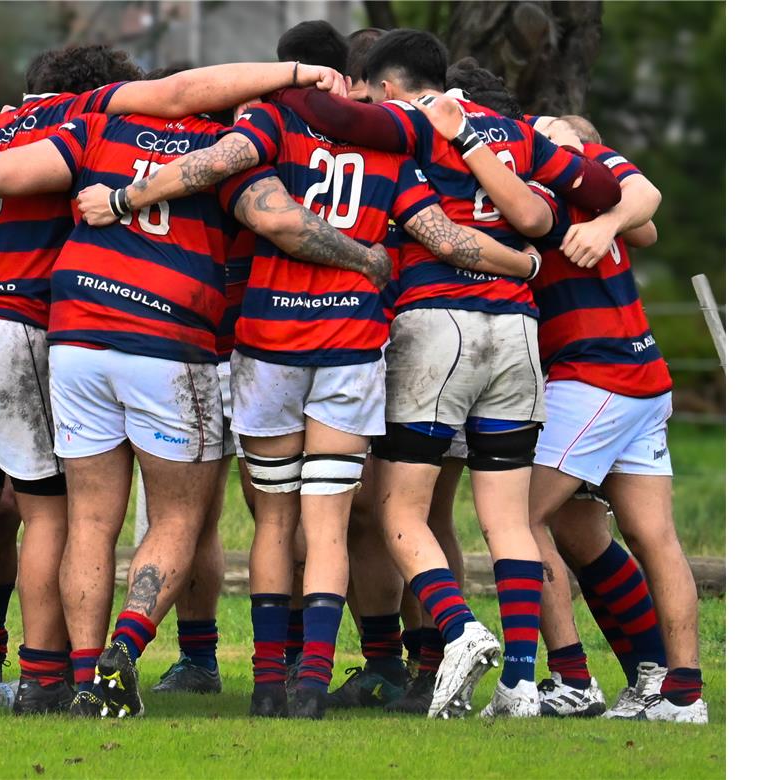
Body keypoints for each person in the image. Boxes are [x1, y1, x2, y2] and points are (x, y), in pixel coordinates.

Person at [0, 49, 358, 716]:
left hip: (72, 333)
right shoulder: (212, 144)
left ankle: (54, 675)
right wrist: (366, 256)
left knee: (84, 520)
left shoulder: (96, 133)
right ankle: (106, 667)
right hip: (165, 337)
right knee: (176, 516)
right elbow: (271, 215)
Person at [75, 55, 539, 723]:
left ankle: (268, 683)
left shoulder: (272, 122)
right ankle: (310, 687)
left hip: (269, 344)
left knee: (275, 520)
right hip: (350, 345)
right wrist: (520, 261)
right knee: (327, 523)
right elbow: (445, 237)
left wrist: (124, 198)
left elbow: (213, 168)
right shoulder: (390, 150)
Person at [268, 28, 622, 718]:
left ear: (392, 88)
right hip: (518, 331)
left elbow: (330, 116)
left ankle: (458, 629)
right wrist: (556, 143)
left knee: (399, 506)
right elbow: (603, 186)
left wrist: (308, 81)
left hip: (437, 325)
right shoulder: (514, 131)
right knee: (507, 518)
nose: (365, 99)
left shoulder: (405, 121)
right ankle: (520, 686)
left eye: (371, 88)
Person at [521, 115, 706, 724]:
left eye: (557, 134)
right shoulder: (582, 187)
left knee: (519, 519)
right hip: (644, 376)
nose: (546, 138)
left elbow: (647, 203)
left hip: (596, 376)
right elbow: (647, 223)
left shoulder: (585, 183)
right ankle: (681, 692)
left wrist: (603, 223)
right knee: (652, 536)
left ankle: (571, 678)